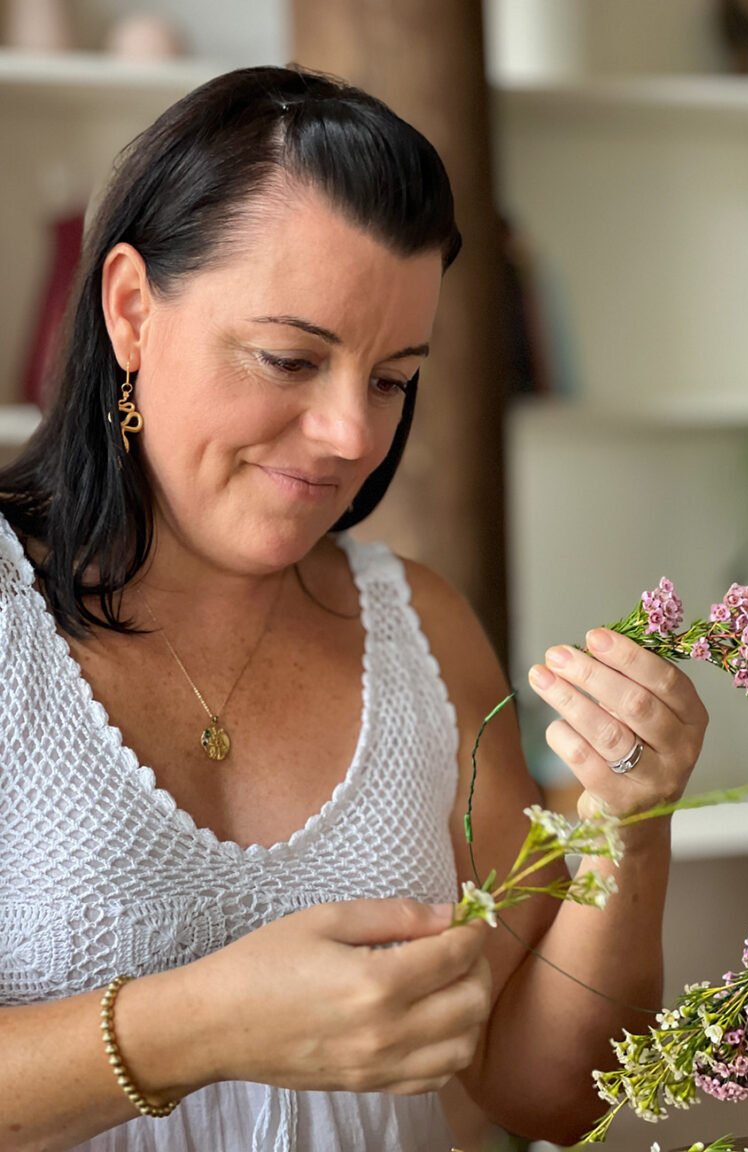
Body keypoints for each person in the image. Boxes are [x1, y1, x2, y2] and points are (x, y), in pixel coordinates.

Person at [0, 65, 708, 1152]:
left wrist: (632, 824)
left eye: (392, 378)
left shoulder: (422, 629)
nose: (352, 436)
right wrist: (195, 1027)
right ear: (133, 308)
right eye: (291, 357)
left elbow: (550, 1095)